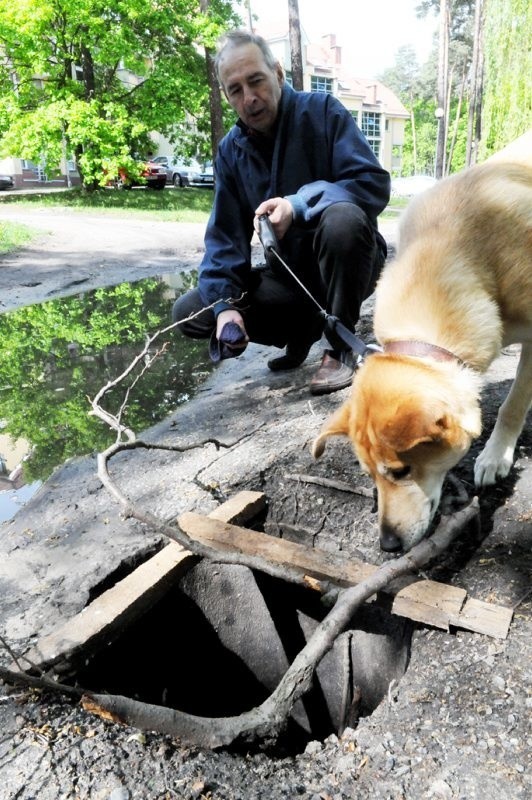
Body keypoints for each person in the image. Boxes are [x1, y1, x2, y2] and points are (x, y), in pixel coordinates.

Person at [172, 29, 391, 395]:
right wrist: (225, 307)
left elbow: (371, 183)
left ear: (277, 73)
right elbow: (225, 241)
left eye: (255, 81)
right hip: (290, 283)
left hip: (349, 265)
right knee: (191, 310)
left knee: (342, 220)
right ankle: (302, 331)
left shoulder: (323, 111)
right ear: (226, 96)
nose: (249, 98)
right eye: (235, 90)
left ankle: (339, 346)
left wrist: (298, 205)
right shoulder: (230, 151)